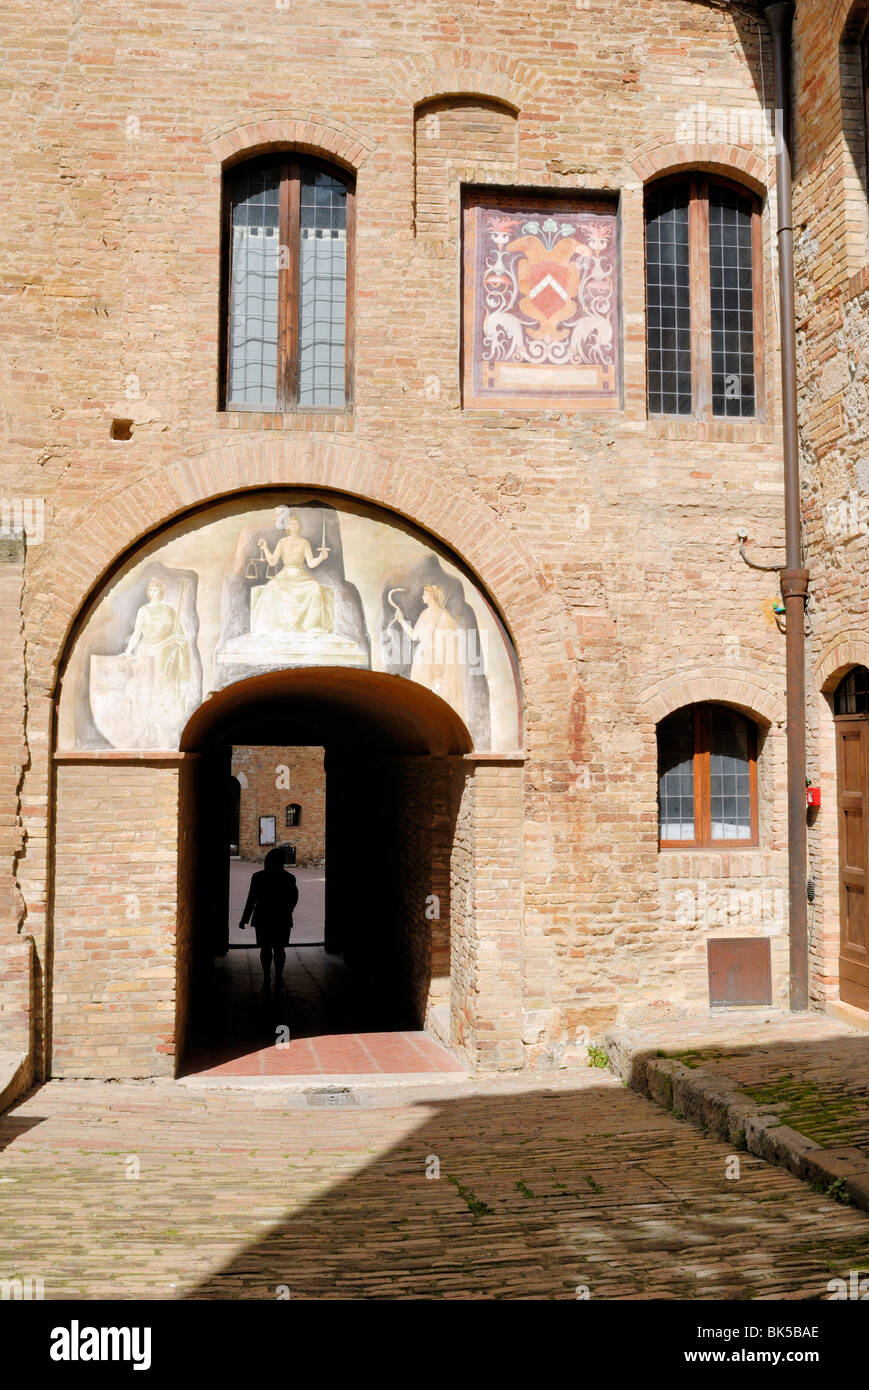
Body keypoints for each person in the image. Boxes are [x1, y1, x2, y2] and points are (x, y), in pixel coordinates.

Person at [239, 847, 299, 994]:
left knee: (265, 948)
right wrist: (288, 910)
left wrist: (244, 919)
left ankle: (267, 976)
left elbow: (251, 899)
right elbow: (294, 897)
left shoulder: (258, 877)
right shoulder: (289, 878)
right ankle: (278, 975)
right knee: (280, 948)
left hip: (263, 917)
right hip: (282, 918)